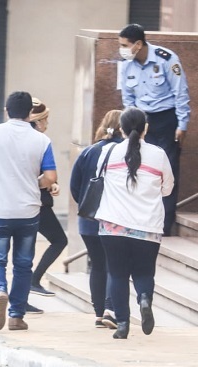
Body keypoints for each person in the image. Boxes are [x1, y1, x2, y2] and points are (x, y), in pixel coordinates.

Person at [0, 91, 57, 331]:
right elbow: (50, 177)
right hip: (28, 211)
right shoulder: (42, 140)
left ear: (7, 110)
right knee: (22, 264)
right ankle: (17, 316)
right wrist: (31, 183)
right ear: (30, 113)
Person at [95, 107, 174, 339]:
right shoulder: (159, 154)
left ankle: (122, 325)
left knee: (118, 274)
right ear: (145, 128)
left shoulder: (109, 152)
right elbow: (167, 188)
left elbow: (99, 178)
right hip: (147, 227)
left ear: (121, 128)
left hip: (112, 225)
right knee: (144, 272)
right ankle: (144, 298)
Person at [118, 23, 189, 236]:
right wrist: (131, 125)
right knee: (138, 167)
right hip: (141, 121)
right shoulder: (126, 64)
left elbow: (181, 93)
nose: (121, 49)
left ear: (138, 44)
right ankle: (139, 219)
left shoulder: (166, 59)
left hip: (166, 120)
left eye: (124, 45)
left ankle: (164, 224)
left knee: (167, 169)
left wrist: (182, 125)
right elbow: (127, 98)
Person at [70, 109, 124, 328]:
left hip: (88, 219)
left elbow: (75, 186)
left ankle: (99, 313)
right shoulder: (124, 151)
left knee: (98, 265)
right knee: (114, 264)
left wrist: (86, 204)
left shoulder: (88, 151)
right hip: (113, 218)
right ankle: (111, 308)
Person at [24, 98, 68, 315]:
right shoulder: (39, 140)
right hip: (36, 203)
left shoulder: (16, 137)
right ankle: (32, 281)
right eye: (45, 119)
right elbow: (40, 174)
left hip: (26, 200)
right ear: (37, 121)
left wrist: (51, 184)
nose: (47, 123)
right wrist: (47, 183)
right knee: (59, 240)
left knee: (23, 250)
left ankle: (23, 292)